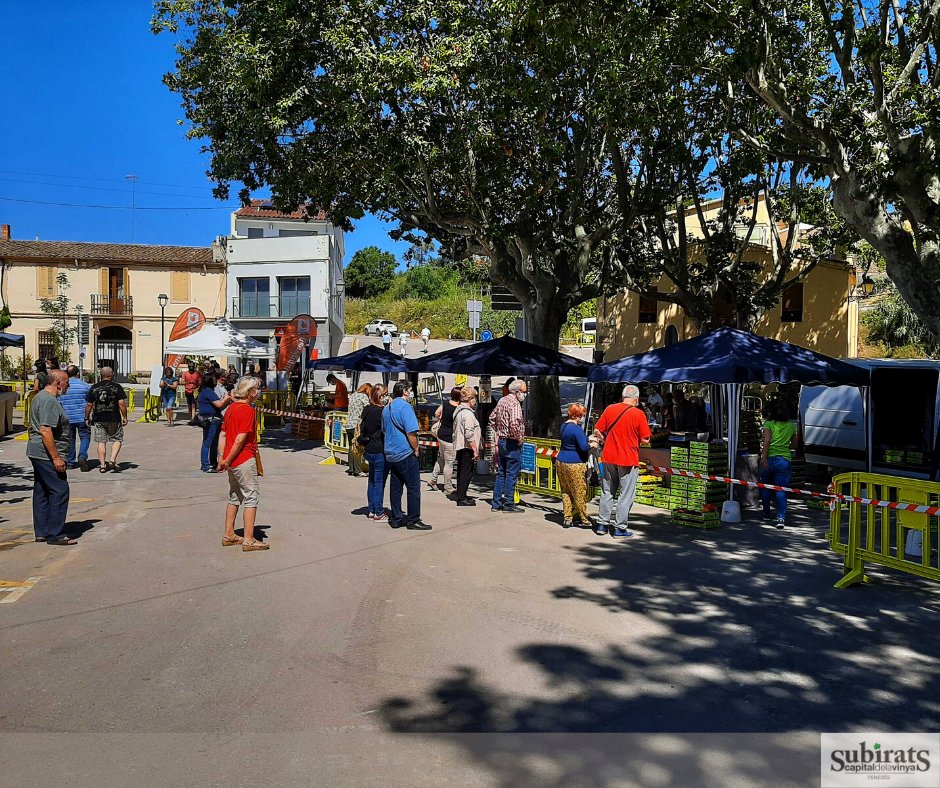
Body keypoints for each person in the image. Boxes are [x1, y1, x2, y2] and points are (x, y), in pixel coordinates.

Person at [592, 384, 651, 538]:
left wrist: (604, 440)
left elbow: (597, 430)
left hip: (609, 456)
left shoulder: (610, 409)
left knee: (607, 491)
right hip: (628, 459)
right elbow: (645, 439)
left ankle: (602, 524)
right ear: (636, 399)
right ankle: (620, 528)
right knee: (626, 494)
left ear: (623, 396)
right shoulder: (638, 414)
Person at [217, 375, 268, 551]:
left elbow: (223, 434)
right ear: (250, 391)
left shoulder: (231, 407)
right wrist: (228, 459)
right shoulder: (247, 410)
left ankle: (229, 534)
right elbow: (240, 439)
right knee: (251, 496)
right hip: (243, 459)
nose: (259, 391)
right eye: (257, 388)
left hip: (231, 460)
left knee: (235, 496)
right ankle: (248, 539)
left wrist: (222, 458)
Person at [27, 369, 76, 545]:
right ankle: (56, 534)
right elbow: (45, 430)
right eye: (66, 382)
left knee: (42, 490)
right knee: (60, 489)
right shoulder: (48, 400)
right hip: (45, 454)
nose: (68, 385)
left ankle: (42, 531)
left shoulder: (41, 397)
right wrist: (56, 458)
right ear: (57, 383)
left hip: (38, 452)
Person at [382, 380, 430, 530]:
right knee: (413, 487)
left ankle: (396, 518)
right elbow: (411, 433)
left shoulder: (387, 408)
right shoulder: (405, 407)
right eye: (410, 389)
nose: (411, 393)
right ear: (404, 391)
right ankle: (413, 519)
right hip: (404, 452)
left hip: (391, 452)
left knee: (396, 487)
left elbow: (384, 430)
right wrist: (416, 449)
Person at [489, 378, 527, 513]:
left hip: (502, 441)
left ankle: (496, 503)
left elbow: (492, 418)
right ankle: (509, 504)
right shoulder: (515, 404)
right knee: (511, 474)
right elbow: (515, 424)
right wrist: (518, 438)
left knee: (501, 473)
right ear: (517, 391)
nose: (524, 394)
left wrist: (499, 431)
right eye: (523, 392)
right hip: (512, 442)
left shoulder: (502, 400)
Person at [759, 398, 799, 529]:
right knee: (781, 490)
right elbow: (795, 445)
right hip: (784, 460)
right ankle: (780, 518)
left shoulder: (769, 424)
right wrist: (785, 446)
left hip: (769, 459)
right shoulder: (791, 426)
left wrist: (763, 457)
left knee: (765, 487)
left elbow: (767, 441)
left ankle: (766, 513)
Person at [84, 366, 128, 473]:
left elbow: (89, 404)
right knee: (117, 439)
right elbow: (121, 403)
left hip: (99, 418)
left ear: (101, 375)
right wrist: (125, 416)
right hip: (114, 418)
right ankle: (112, 460)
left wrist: (87, 417)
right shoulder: (117, 387)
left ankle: (103, 465)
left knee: (101, 442)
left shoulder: (94, 387)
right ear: (111, 375)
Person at [556, 403, 592, 528]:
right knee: (579, 492)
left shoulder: (564, 426)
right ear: (578, 415)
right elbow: (583, 447)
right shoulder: (576, 429)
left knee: (566, 491)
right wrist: (592, 444)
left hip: (561, 461)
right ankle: (584, 519)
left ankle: (567, 518)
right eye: (582, 415)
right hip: (574, 463)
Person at [359, 384, 389, 520]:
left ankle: (371, 510)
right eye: (385, 395)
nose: (387, 397)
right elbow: (386, 429)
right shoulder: (380, 412)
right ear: (380, 396)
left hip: (369, 448)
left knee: (372, 481)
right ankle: (378, 512)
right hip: (379, 449)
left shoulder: (367, 409)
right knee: (379, 483)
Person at [451, 387, 481, 506]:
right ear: (470, 399)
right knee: (466, 472)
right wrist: (475, 449)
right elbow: (469, 433)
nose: (475, 401)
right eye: (474, 398)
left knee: (462, 471)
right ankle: (462, 498)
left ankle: (462, 494)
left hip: (461, 445)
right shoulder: (467, 413)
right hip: (467, 447)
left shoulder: (459, 410)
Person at [428, 387, 461, 495]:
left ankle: (433, 479)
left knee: (441, 458)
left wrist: (442, 420)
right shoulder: (458, 408)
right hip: (450, 438)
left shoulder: (446, 403)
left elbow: (437, 413)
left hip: (441, 434)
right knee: (449, 463)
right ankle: (448, 487)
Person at [59, 365, 91, 471]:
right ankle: (82, 455)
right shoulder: (85, 386)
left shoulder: (63, 386)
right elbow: (90, 402)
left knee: (70, 440)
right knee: (85, 437)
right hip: (82, 417)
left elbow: (59, 402)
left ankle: (70, 462)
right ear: (77, 374)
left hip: (67, 417)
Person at [197, 374, 231, 472]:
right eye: (214, 380)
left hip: (213, 419)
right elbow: (219, 404)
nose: (216, 382)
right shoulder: (208, 392)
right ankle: (206, 465)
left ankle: (213, 463)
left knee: (214, 443)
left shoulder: (205, 391)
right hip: (210, 420)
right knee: (208, 442)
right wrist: (226, 399)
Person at [345, 382, 372, 477]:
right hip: (356, 424)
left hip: (349, 424)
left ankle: (351, 468)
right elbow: (368, 408)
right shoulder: (363, 396)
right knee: (357, 447)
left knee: (351, 446)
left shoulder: (353, 395)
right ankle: (357, 470)